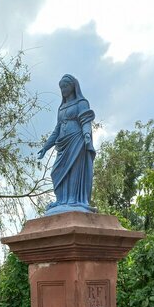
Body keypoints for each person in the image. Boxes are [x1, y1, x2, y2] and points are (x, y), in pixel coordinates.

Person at [38, 74, 96, 214]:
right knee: (56, 171)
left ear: (73, 86)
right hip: (63, 143)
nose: (63, 89)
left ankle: (72, 201)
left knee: (75, 170)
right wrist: (46, 147)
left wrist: (87, 134)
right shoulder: (62, 107)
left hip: (77, 139)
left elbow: (85, 121)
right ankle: (61, 200)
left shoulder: (81, 103)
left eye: (65, 86)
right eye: (61, 87)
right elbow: (57, 129)